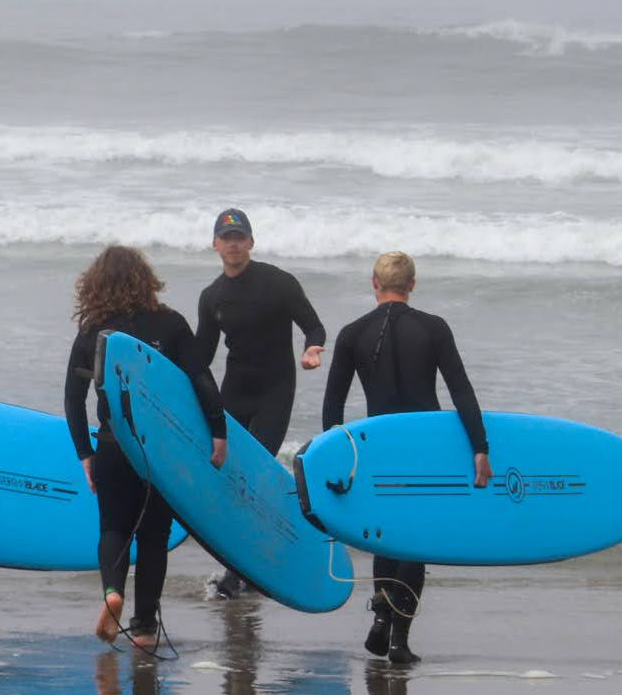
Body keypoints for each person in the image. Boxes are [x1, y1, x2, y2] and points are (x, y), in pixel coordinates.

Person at [321, 251, 491, 664]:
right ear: (412, 285)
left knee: (385, 533)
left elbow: (333, 407)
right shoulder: (433, 329)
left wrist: (334, 460)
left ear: (374, 283)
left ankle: (380, 617)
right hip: (425, 448)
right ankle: (399, 639)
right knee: (415, 539)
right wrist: (480, 448)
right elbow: (461, 391)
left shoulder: (351, 334)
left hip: (378, 446)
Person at [65, 245, 228, 649]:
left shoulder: (92, 330)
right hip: (159, 453)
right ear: (145, 279)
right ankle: (144, 628)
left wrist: (85, 452)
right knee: (154, 537)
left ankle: (112, 592)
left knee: (114, 528)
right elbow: (202, 380)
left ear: (95, 284)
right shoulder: (170, 324)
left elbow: (73, 397)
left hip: (112, 445)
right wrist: (218, 433)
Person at [196, 207, 326, 597]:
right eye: (227, 238)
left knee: (251, 474)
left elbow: (313, 325)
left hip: (275, 391)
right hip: (234, 390)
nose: (233, 244)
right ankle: (248, 560)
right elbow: (201, 354)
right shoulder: (212, 296)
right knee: (228, 477)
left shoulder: (278, 283)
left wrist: (312, 349)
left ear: (250, 242)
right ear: (216, 244)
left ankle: (240, 571)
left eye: (240, 237)